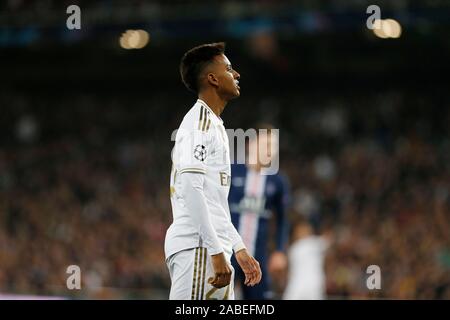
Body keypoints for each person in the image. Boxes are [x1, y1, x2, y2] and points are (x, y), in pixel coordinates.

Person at [164, 42, 262, 300]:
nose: (237, 74)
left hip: (209, 248)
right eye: (229, 69)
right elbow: (190, 188)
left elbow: (213, 202)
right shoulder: (199, 123)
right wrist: (216, 251)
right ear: (212, 79)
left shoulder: (214, 124)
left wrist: (238, 247)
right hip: (198, 248)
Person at [229, 125, 290, 299]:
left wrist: (279, 251)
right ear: (252, 144)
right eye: (266, 144)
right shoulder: (232, 171)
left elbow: (283, 220)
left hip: (258, 256)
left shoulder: (278, 182)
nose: (270, 150)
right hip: (228, 252)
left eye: (273, 146)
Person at [282, 216, 329, 300]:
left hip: (314, 283)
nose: (303, 231)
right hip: (299, 282)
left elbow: (329, 240)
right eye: (300, 230)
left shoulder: (314, 242)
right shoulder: (294, 248)